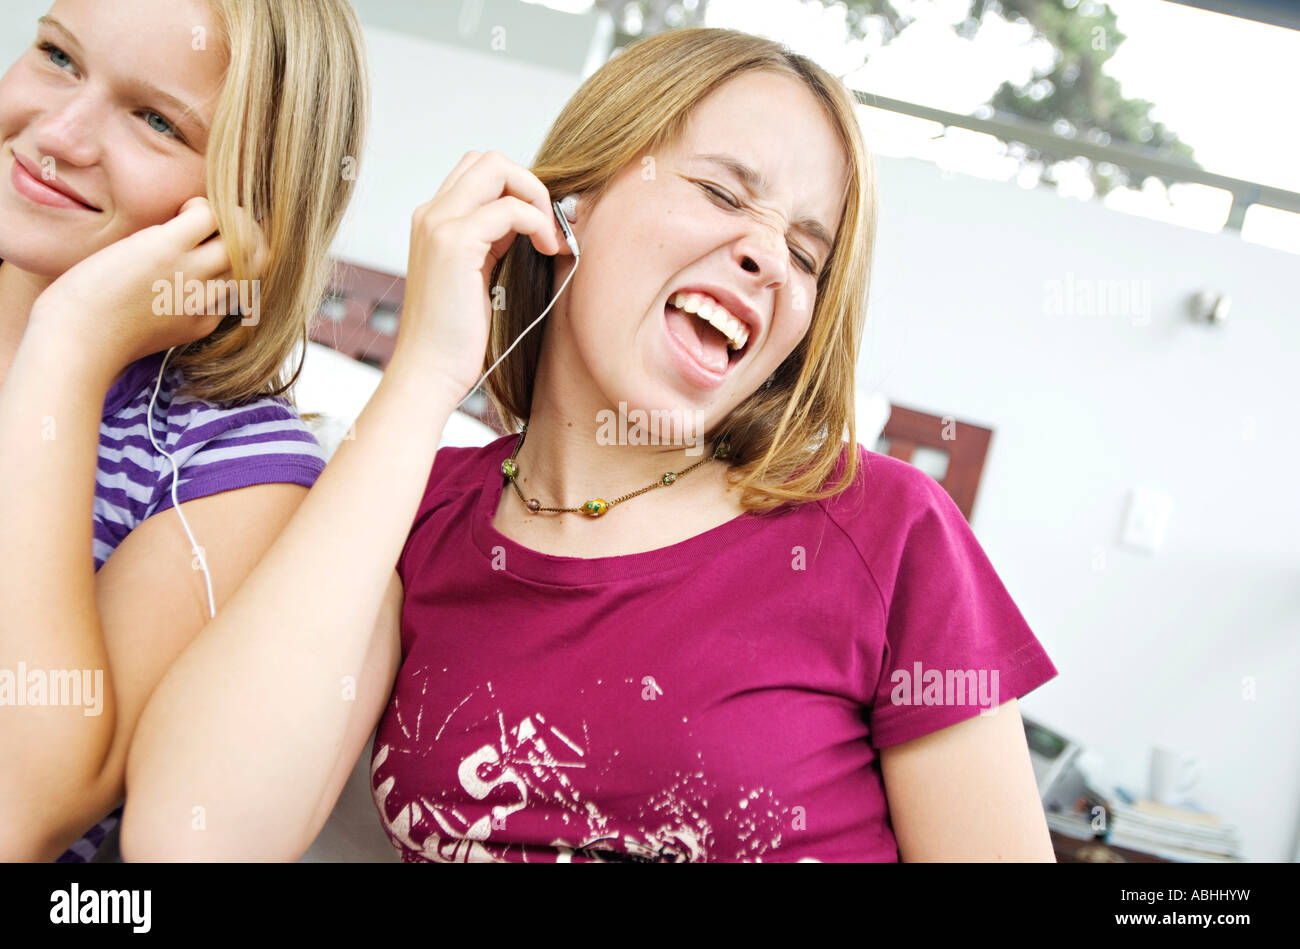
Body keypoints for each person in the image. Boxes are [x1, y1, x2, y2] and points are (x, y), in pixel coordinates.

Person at [124, 26, 1059, 862]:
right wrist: (420, 376)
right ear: (564, 207)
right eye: (720, 190)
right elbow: (188, 841)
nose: (769, 255)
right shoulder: (415, 511)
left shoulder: (887, 533)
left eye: (806, 254)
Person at [0, 0, 367, 862]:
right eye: (58, 57)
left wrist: (68, 346)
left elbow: (18, 809)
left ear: (250, 212)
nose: (59, 133)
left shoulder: (234, 469)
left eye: (157, 120)